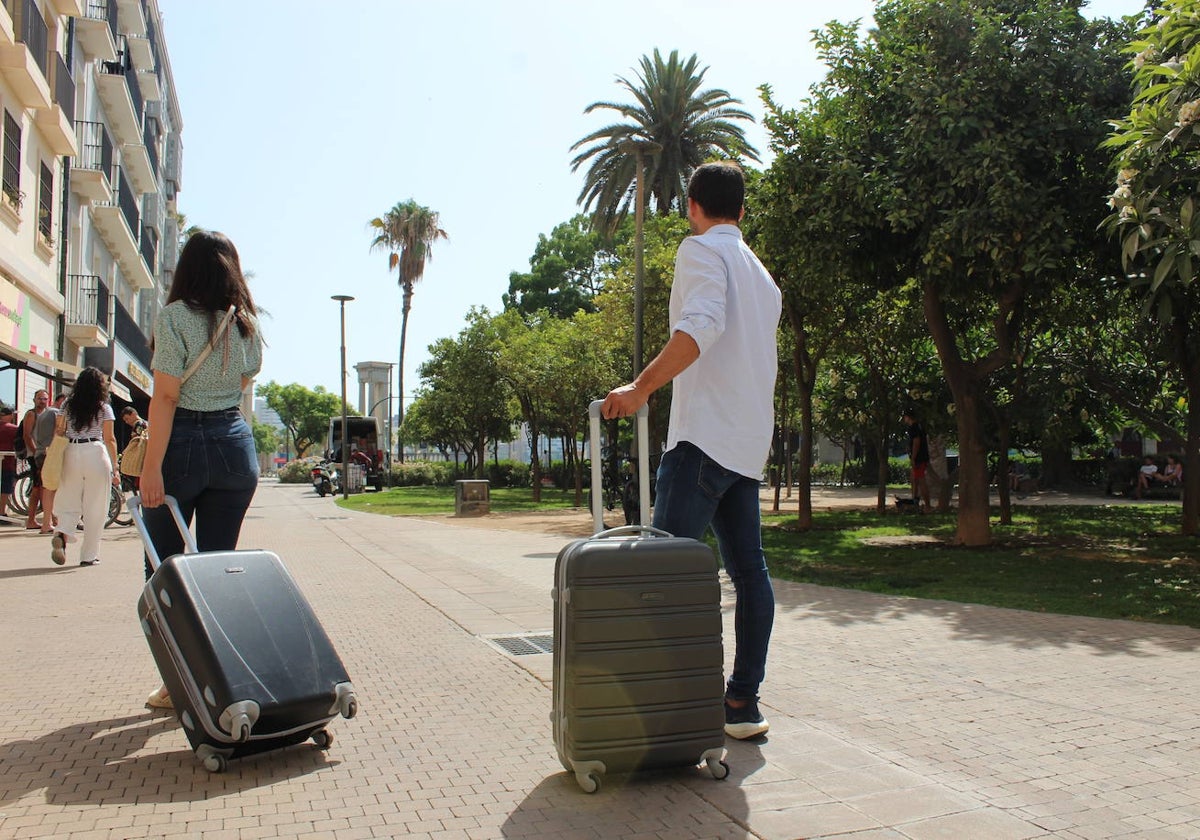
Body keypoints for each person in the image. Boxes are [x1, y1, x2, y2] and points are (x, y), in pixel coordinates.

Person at [601, 162, 781, 740]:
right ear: (743, 212)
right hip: (746, 448)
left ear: (693, 206)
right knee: (749, 575)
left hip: (703, 440)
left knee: (667, 574)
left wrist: (639, 388)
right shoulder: (763, 276)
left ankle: (667, 709)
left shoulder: (701, 250)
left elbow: (700, 326)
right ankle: (741, 705)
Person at [138, 230, 262, 711]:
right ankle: (220, 677)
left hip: (182, 445)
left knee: (164, 570)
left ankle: (177, 681)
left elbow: (166, 396)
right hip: (235, 446)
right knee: (218, 569)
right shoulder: (247, 325)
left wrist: (152, 469)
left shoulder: (174, 319)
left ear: (186, 269)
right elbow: (244, 383)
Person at [49, 368, 119, 567]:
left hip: (71, 451)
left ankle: (61, 534)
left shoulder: (67, 406)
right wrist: (115, 467)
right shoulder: (103, 408)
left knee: (68, 499)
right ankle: (89, 555)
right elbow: (110, 439)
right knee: (95, 506)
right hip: (95, 452)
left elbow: (59, 430)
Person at [34, 392, 67, 535]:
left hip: (41, 452)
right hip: (51, 453)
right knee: (51, 488)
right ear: (61, 401)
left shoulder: (44, 414)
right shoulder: (55, 413)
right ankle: (47, 523)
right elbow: (58, 431)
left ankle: (51, 521)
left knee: (45, 487)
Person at [20, 389, 49, 529]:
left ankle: (36, 520)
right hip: (36, 456)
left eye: (44, 399)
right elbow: (27, 435)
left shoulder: (46, 414)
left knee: (40, 487)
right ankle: (34, 520)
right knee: (39, 488)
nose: (42, 401)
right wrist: (36, 452)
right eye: (40, 398)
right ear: (34, 399)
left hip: (43, 455)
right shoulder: (31, 414)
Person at [903, 409, 932, 512]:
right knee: (914, 479)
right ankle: (915, 501)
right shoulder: (919, 426)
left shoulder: (913, 427)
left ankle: (928, 506)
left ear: (908, 417)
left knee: (920, 480)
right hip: (922, 456)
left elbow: (916, 442)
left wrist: (914, 457)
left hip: (919, 458)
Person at [0, 405, 18, 517]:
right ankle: (1, 512)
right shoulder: (13, 429)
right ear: (11, 415)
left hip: (5, 461)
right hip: (7, 462)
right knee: (5, 488)